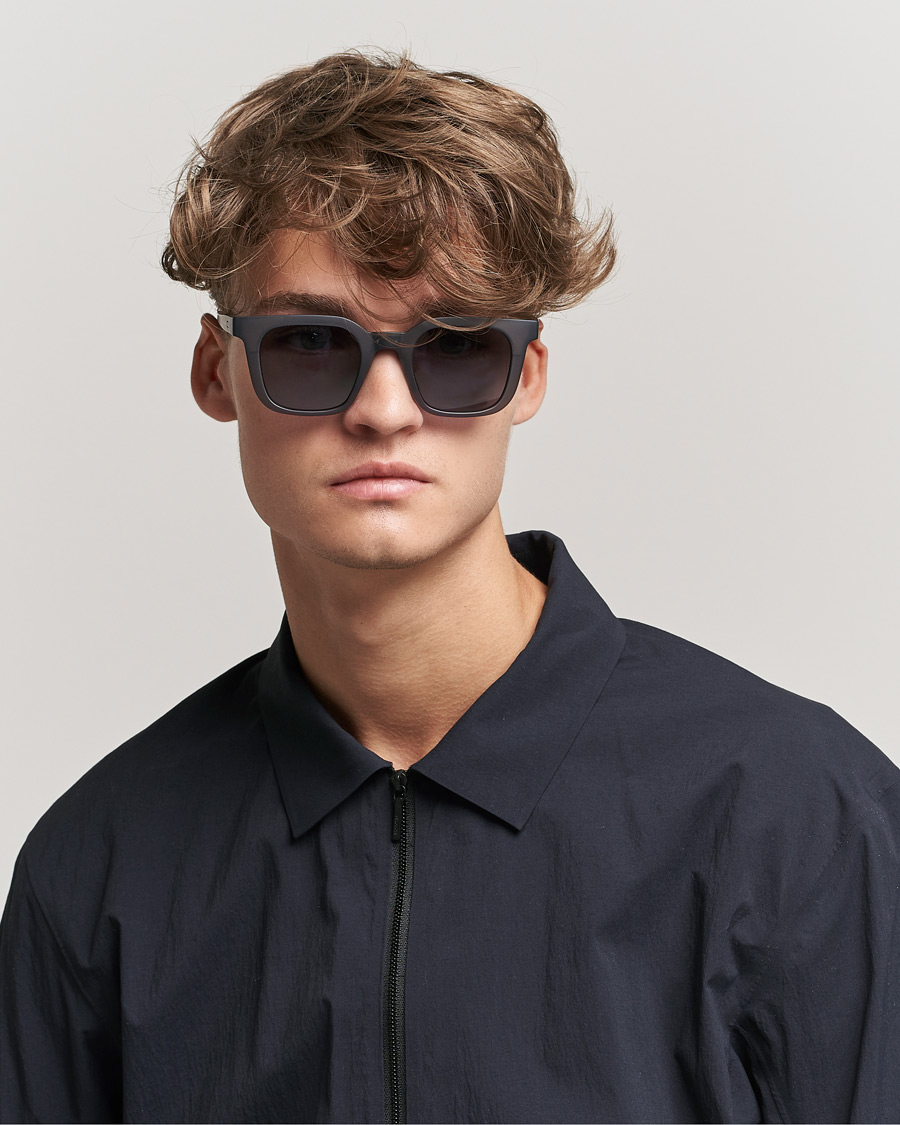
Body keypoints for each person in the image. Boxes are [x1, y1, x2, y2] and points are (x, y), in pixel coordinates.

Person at [1, 48, 898, 1125]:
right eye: (309, 344)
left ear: (527, 377)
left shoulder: (804, 818)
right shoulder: (97, 868)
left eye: (458, 347)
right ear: (215, 370)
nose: (384, 411)